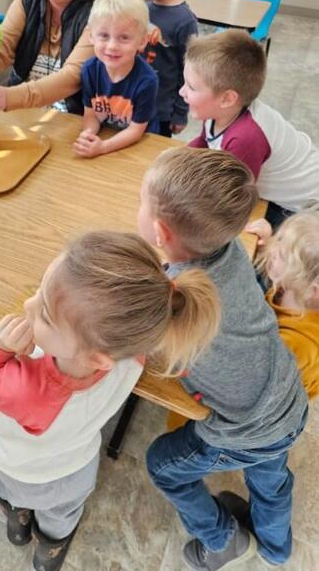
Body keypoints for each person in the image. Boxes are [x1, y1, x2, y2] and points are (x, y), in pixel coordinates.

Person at [0, 230, 219, 571]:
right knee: (63, 515)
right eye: (40, 292)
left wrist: (0, 346)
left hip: (21, 469)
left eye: (44, 314)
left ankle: (17, 524)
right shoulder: (131, 356)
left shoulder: (28, 390)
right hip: (76, 467)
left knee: (15, 497)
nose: (28, 306)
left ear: (97, 357)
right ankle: (49, 555)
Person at [137, 147, 308, 569]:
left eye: (140, 202)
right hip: (288, 402)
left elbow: (142, 349)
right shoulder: (228, 247)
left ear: (159, 232)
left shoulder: (176, 303)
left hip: (244, 429)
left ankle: (222, 540)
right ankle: (276, 549)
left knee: (162, 465)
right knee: (271, 484)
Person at [183, 29, 319, 227]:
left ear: (227, 98)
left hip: (302, 209)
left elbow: (235, 197)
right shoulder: (222, 111)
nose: (182, 91)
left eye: (191, 87)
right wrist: (177, 160)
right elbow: (204, 142)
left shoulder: (246, 138)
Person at [72, 0, 158, 158]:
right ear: (91, 36)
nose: (112, 46)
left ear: (142, 41)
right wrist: (88, 135)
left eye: (124, 38)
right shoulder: (89, 70)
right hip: (108, 134)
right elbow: (91, 115)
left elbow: (136, 131)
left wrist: (102, 147)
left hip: (141, 144)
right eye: (104, 36)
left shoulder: (147, 80)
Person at [246, 208, 319, 399]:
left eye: (282, 255)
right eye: (279, 240)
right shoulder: (298, 291)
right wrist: (267, 243)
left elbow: (250, 381)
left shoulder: (296, 345)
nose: (273, 250)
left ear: (312, 290)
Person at [136, 0, 198, 138]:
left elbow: (189, 71)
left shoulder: (184, 21)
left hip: (160, 111)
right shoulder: (141, 6)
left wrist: (180, 113)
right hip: (132, 100)